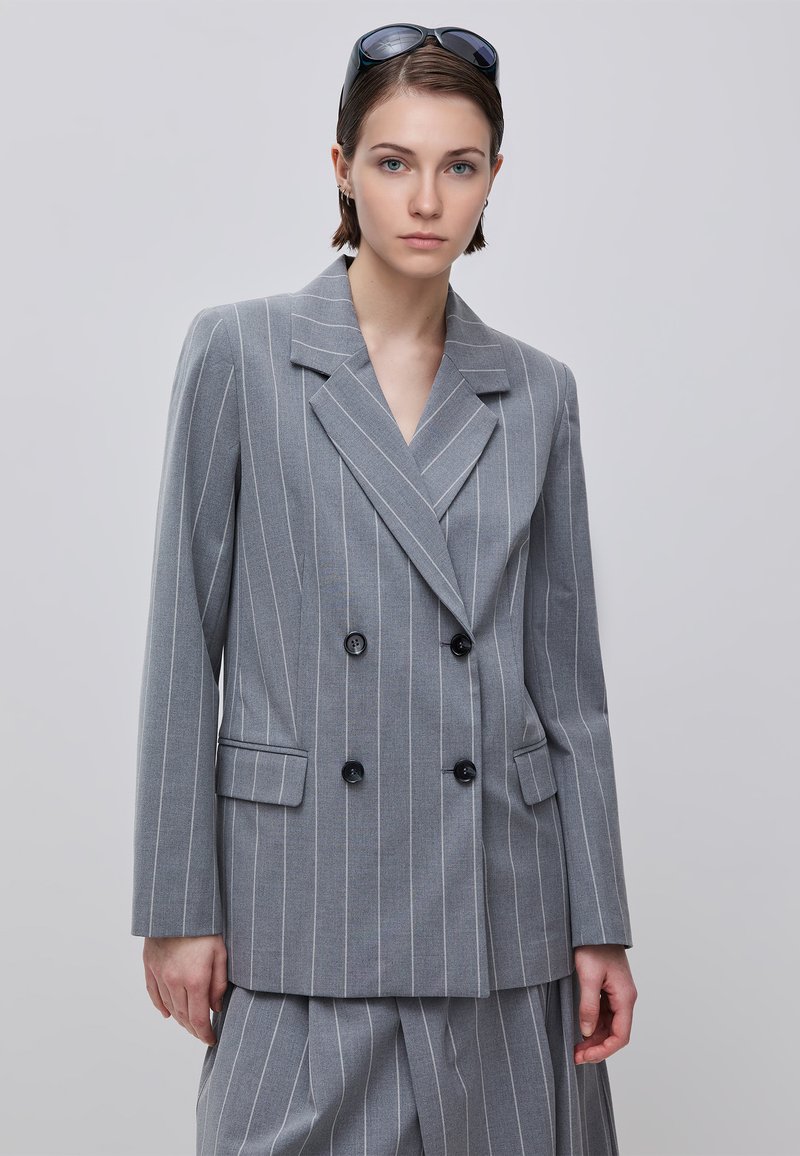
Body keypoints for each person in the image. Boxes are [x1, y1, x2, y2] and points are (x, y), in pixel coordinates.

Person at [131, 23, 638, 1155]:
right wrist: (175, 907)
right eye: (393, 161)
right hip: (304, 904)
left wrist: (599, 920)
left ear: (493, 180)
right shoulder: (240, 355)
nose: (424, 199)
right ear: (342, 169)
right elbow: (182, 644)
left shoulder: (536, 393)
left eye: (459, 166)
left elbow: (569, 688)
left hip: (501, 914)